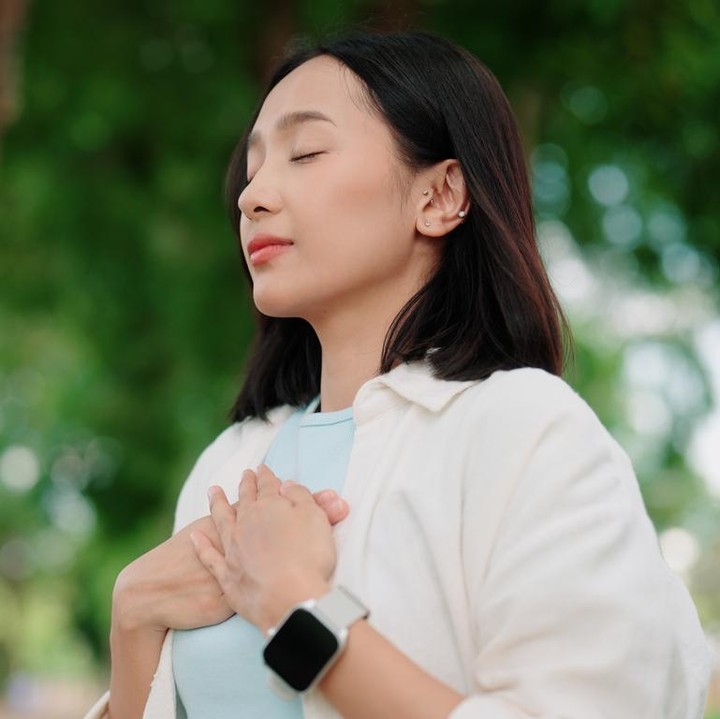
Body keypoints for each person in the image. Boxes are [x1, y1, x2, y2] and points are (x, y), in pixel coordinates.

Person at [85, 30, 712, 719]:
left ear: (439, 196)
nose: (252, 196)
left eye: (306, 152)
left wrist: (297, 608)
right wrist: (133, 616)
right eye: (253, 168)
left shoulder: (524, 432)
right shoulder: (230, 462)